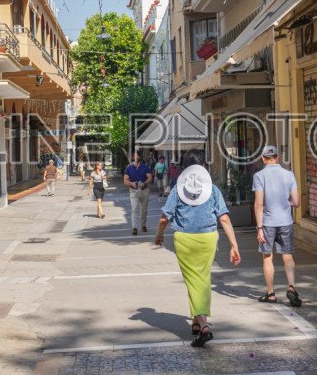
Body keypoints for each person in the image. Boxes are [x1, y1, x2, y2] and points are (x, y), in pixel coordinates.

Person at [156, 149, 241, 348]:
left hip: (184, 239)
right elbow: (224, 219)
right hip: (208, 238)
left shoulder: (177, 190)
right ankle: (196, 321)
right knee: (201, 278)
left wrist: (159, 235)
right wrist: (234, 245)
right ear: (204, 165)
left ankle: (203, 326)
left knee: (193, 279)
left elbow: (164, 218)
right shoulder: (213, 190)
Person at [252, 145, 302, 307]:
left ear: (263, 158)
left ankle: (271, 294)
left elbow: (258, 204)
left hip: (267, 222)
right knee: (287, 255)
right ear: (277, 157)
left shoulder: (259, 176)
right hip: (286, 221)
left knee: (268, 257)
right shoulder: (289, 174)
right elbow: (296, 202)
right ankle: (292, 287)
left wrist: (259, 228)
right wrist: (286, 203)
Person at [123, 152, 152, 235]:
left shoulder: (145, 167)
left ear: (139, 157)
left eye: (137, 155)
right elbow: (125, 180)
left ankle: (143, 225)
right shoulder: (129, 168)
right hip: (133, 191)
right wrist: (131, 183)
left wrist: (145, 183)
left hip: (144, 190)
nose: (136, 157)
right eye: (134, 156)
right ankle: (134, 227)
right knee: (134, 209)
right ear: (132, 157)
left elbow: (150, 177)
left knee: (144, 210)